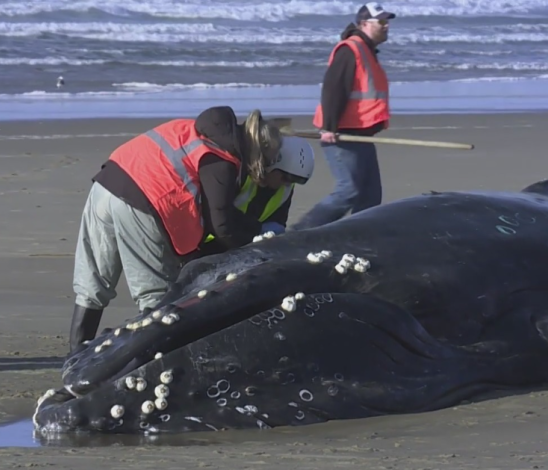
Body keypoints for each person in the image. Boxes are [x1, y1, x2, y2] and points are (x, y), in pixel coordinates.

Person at [68, 105, 284, 353]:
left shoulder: (192, 128)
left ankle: (74, 356)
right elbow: (221, 224)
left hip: (107, 184)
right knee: (155, 296)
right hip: (142, 201)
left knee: (93, 283)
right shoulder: (223, 160)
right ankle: (151, 361)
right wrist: (255, 240)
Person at [290, 2, 394, 231]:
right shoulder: (351, 50)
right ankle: (301, 231)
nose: (387, 27)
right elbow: (333, 89)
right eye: (382, 22)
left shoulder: (367, 51)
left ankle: (362, 237)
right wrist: (328, 128)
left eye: (388, 22)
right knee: (349, 190)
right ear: (364, 24)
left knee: (370, 196)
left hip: (362, 134)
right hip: (342, 135)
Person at [200, 135, 316, 257]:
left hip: (246, 239)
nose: (287, 184)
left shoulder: (285, 188)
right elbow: (219, 213)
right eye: (286, 178)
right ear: (272, 165)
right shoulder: (240, 175)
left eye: (294, 180)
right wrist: (254, 230)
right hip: (211, 238)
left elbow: (278, 221)